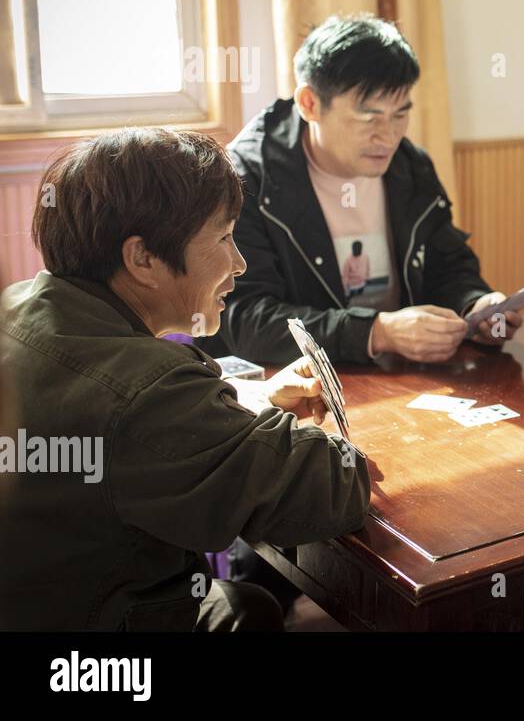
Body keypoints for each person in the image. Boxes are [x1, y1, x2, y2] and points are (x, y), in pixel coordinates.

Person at [0, 128, 370, 630]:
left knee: (250, 605)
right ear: (143, 258)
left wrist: (250, 401)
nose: (239, 263)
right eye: (223, 237)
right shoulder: (148, 390)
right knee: (250, 609)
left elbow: (124, 424)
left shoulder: (18, 306)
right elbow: (332, 485)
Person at [199, 14, 521, 367]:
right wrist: (376, 333)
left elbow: (447, 265)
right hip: (296, 388)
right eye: (369, 118)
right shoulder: (246, 180)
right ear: (310, 104)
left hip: (406, 380)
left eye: (400, 115)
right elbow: (248, 320)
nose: (388, 137)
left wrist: (477, 305)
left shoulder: (409, 166)